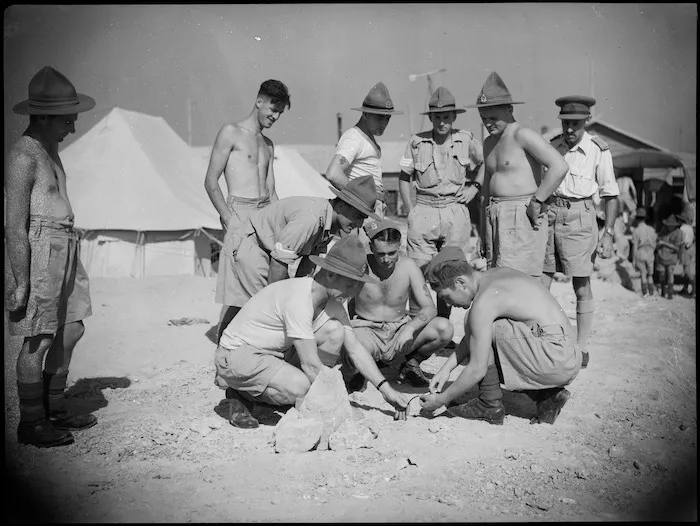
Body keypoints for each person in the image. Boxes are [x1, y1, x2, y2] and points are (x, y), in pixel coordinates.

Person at [214, 234, 410, 428]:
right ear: (331, 274)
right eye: (350, 284)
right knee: (301, 387)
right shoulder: (300, 299)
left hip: (274, 352)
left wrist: (386, 389)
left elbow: (356, 349)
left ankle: (292, 392)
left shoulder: (333, 303)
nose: (353, 292)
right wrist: (339, 406)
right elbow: (310, 365)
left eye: (358, 286)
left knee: (334, 331)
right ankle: (241, 392)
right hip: (238, 354)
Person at [5, 66, 98, 448]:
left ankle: (55, 405)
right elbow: (14, 226)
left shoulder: (50, 150)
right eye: (66, 120)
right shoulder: (23, 156)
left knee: (72, 326)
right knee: (38, 338)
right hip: (40, 248)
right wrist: (22, 280)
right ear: (42, 116)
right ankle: (32, 423)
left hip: (66, 243)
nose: (72, 128)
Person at [419, 247, 582, 426]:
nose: (447, 303)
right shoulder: (493, 276)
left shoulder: (484, 302)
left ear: (460, 282)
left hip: (555, 357)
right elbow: (474, 334)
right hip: (564, 352)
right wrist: (446, 369)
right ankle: (546, 396)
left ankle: (488, 404)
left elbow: (477, 369)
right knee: (480, 325)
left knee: (481, 325)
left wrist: (442, 399)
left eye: (446, 296)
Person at [216, 175, 381, 338]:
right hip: (252, 246)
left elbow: (308, 263)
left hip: (265, 250)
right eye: (358, 216)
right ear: (341, 206)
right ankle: (235, 349)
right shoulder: (311, 219)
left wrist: (302, 298)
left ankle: (228, 343)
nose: (359, 224)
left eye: (363, 218)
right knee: (262, 306)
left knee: (252, 302)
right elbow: (278, 263)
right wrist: (281, 306)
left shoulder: (328, 222)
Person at [205, 80, 291, 342]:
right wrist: (229, 218)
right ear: (259, 101)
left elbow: (271, 190)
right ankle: (228, 344)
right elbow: (211, 181)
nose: (275, 117)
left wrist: (283, 227)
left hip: (265, 214)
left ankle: (242, 343)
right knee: (246, 286)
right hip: (239, 212)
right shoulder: (230, 132)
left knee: (266, 283)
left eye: (279, 112)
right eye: (272, 109)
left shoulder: (269, 144)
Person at [465, 72, 569, 279]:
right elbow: (485, 190)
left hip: (520, 215)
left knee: (520, 281)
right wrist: (484, 233)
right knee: (498, 279)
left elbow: (559, 165)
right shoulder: (488, 143)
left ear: (509, 110)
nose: (488, 124)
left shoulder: (523, 135)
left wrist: (537, 200)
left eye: (493, 118)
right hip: (494, 215)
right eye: (483, 119)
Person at [541, 95, 620, 368]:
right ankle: (545, 341)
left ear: (586, 121)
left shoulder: (598, 150)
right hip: (550, 215)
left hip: (580, 217)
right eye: (565, 123)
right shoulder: (551, 146)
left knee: (581, 284)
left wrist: (608, 233)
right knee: (542, 281)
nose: (570, 129)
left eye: (575, 124)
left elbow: (611, 194)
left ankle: (581, 347)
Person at [398, 86, 484, 327]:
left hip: (455, 210)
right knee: (418, 271)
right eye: (437, 117)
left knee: (450, 272)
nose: (442, 122)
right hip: (423, 210)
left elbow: (486, 163)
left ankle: (442, 326)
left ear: (453, 117)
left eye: (446, 117)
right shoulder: (416, 143)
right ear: (431, 118)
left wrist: (475, 187)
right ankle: (419, 326)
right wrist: (410, 209)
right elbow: (404, 178)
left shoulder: (466, 140)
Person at [343, 219, 454, 390]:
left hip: (398, 330)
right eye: (381, 253)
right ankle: (363, 370)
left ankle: (410, 364)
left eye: (392, 253)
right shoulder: (360, 265)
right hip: (367, 330)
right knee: (352, 342)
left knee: (444, 328)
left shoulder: (408, 266)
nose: (386, 259)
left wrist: (410, 328)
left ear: (399, 246)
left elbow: (430, 308)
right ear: (371, 247)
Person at [323, 81, 403, 220]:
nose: (384, 123)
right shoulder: (354, 138)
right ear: (365, 114)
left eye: (387, 118)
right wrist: (365, 199)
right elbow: (333, 173)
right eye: (379, 117)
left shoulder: (366, 138)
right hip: (359, 211)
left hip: (369, 209)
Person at [655, 214, 684, 300]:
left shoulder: (679, 233)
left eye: (671, 226)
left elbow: (677, 248)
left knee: (670, 273)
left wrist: (664, 244)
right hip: (661, 256)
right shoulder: (664, 229)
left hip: (672, 257)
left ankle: (670, 293)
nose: (669, 227)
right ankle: (664, 290)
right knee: (662, 274)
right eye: (668, 225)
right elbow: (658, 239)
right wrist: (658, 242)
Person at [631, 207, 658, 297]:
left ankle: (645, 293)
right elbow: (655, 243)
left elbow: (634, 247)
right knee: (650, 275)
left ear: (637, 219)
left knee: (643, 274)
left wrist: (633, 260)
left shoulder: (636, 231)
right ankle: (651, 293)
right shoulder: (652, 229)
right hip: (650, 253)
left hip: (640, 252)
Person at [678, 210, 696, 297]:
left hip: (685, 248)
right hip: (691, 248)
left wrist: (680, 255)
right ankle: (685, 288)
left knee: (686, 270)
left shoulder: (682, 229)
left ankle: (694, 287)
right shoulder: (690, 227)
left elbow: (682, 242)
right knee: (687, 270)